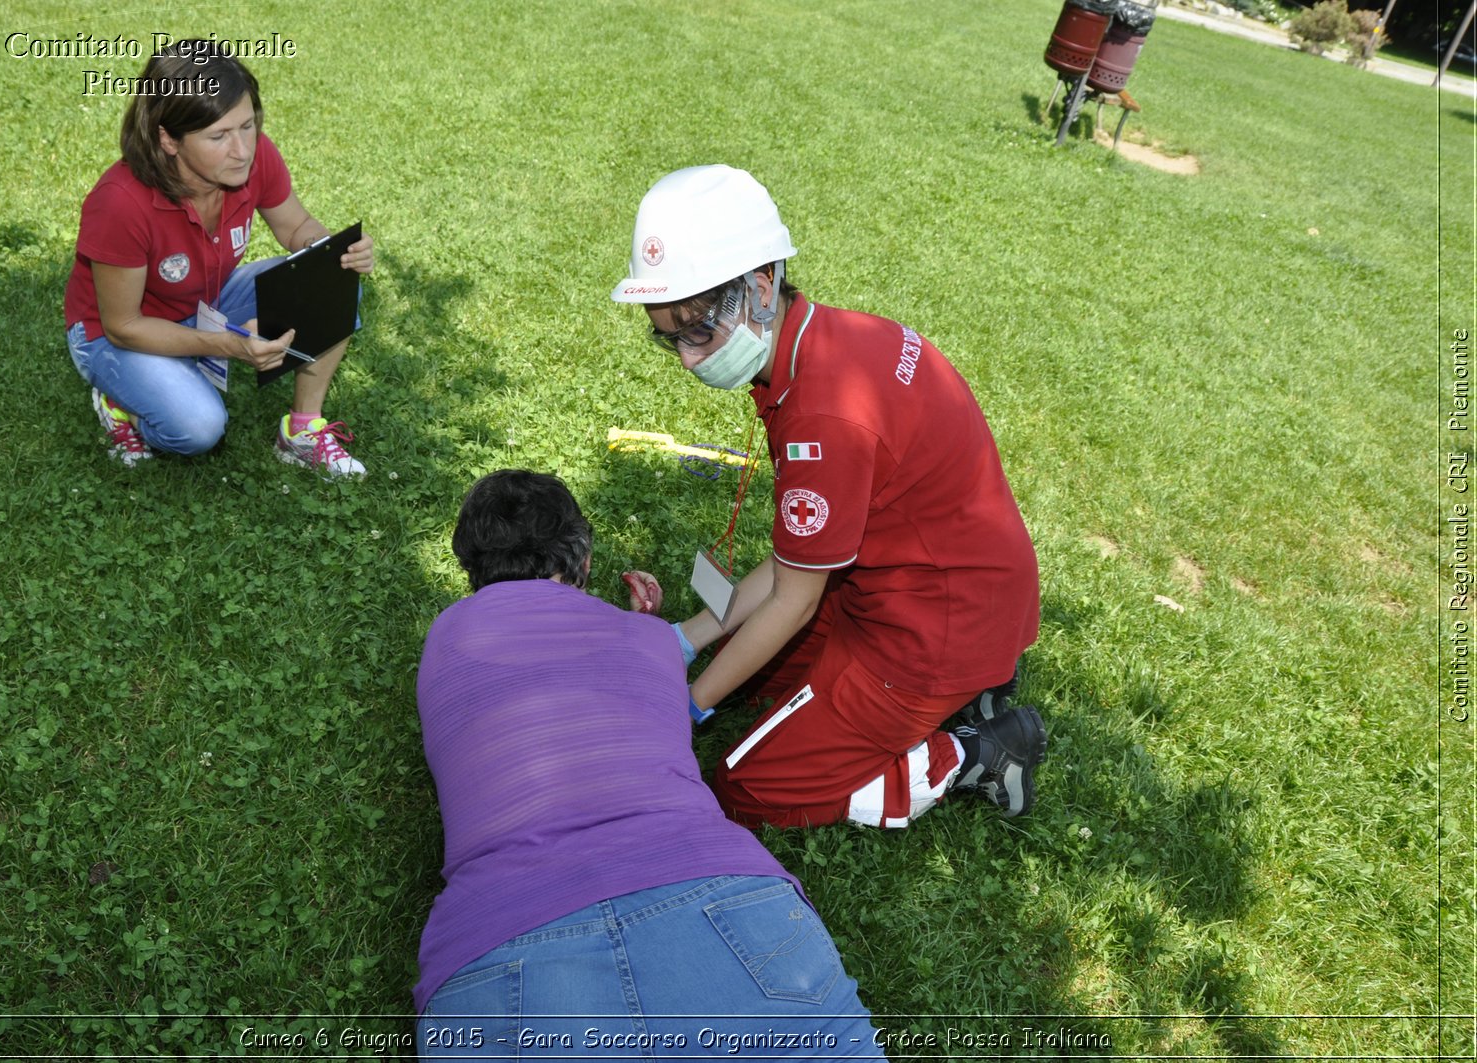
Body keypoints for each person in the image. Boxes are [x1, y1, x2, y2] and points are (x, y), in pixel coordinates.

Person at [610, 165, 1045, 830]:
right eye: (670, 338)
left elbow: (795, 594)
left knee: (746, 787)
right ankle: (970, 689)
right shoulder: (826, 338)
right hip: (901, 585)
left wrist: (690, 702)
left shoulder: (825, 415)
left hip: (934, 627)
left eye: (698, 331)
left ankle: (977, 751)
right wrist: (686, 640)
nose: (688, 361)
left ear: (759, 287)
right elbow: (797, 565)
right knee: (752, 676)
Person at [414, 470, 885, 1059]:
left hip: (504, 937)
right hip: (718, 891)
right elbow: (645, 652)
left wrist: (638, 629)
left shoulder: (447, 639)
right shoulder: (646, 640)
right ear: (583, 558)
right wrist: (640, 626)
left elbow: (547, 657)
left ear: (470, 566)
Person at [62, 39, 373, 477]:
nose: (242, 149)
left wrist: (333, 249)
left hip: (203, 300)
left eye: (247, 126)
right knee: (197, 429)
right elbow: (123, 325)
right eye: (218, 136)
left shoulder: (252, 157)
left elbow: (295, 228)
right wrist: (229, 345)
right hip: (114, 335)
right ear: (167, 139)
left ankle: (301, 430)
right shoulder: (120, 203)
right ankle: (119, 404)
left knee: (331, 273)